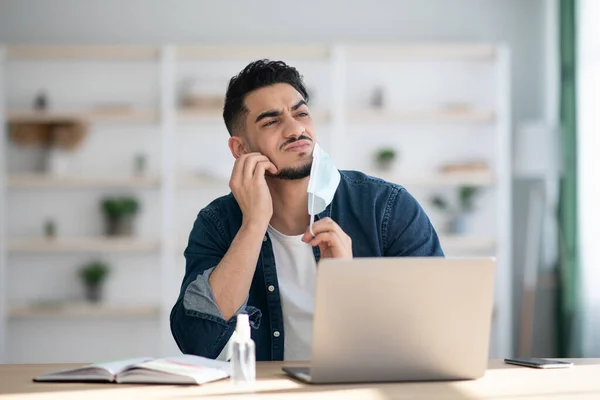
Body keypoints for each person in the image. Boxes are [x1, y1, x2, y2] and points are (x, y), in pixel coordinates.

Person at [170, 59, 444, 362]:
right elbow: (197, 341)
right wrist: (253, 224)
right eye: (271, 121)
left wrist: (348, 284)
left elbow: (436, 330)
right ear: (241, 149)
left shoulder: (387, 207)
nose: (296, 128)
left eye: (301, 113)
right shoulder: (216, 223)